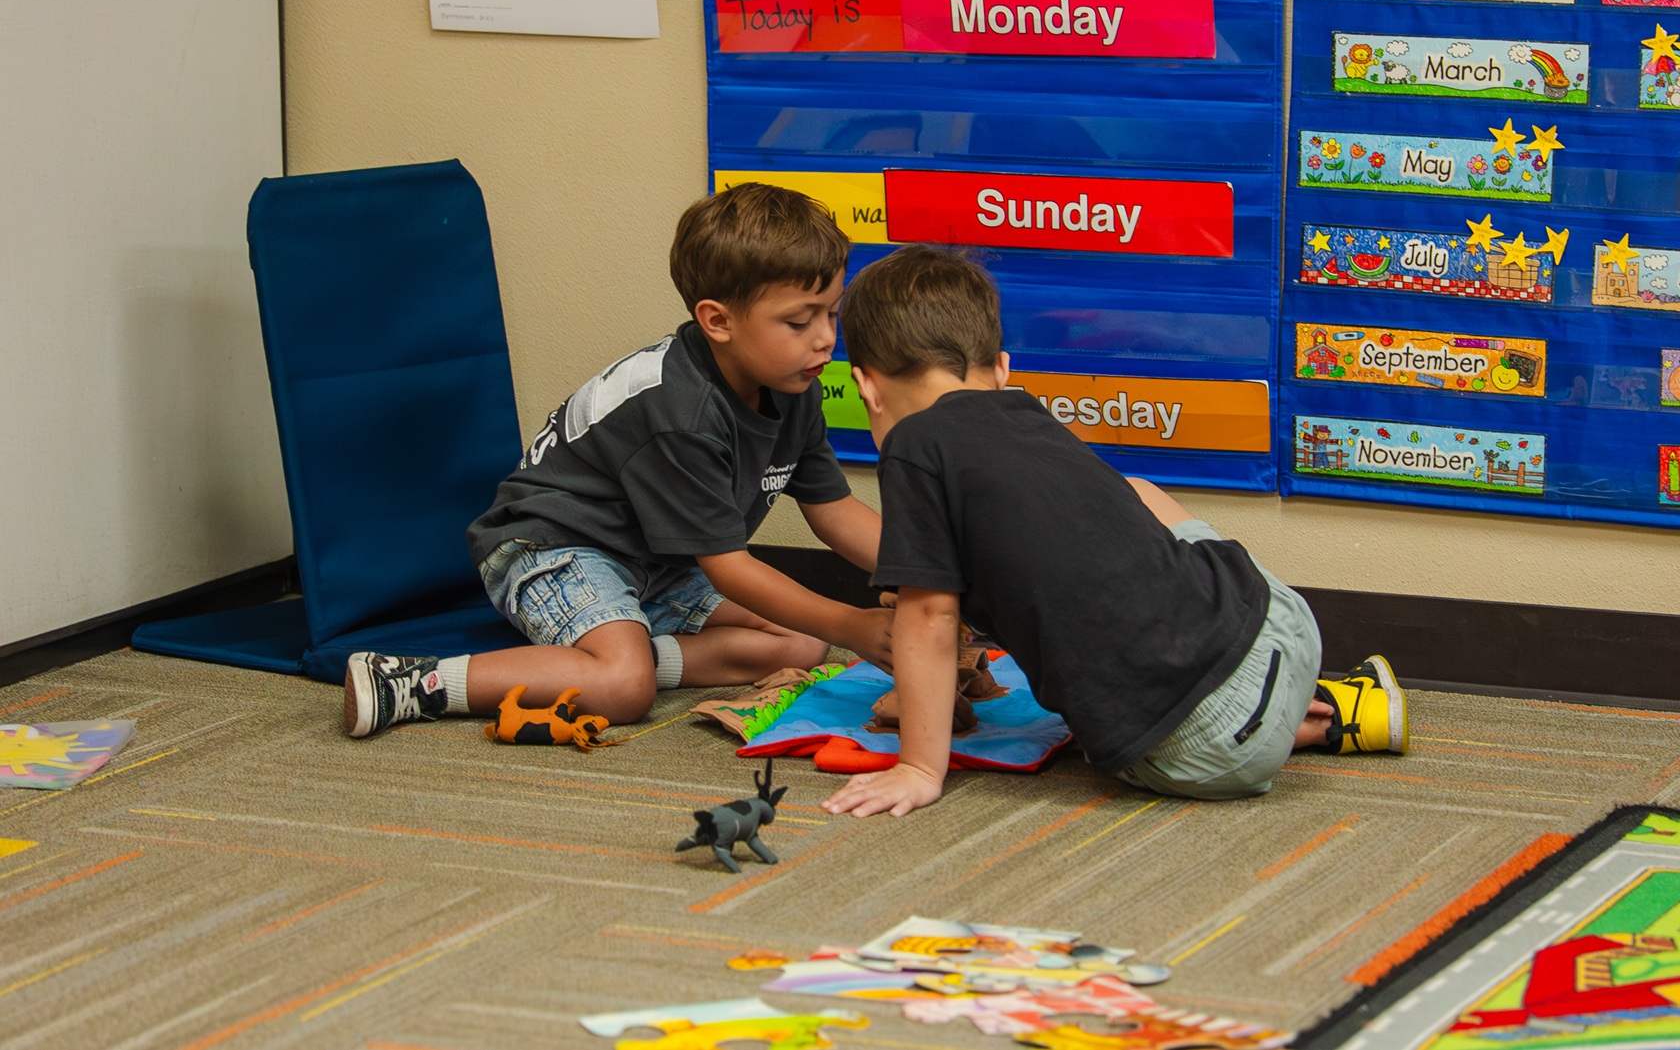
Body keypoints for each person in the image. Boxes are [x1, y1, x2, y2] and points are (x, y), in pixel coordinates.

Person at [821, 245, 1406, 818]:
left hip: (1209, 751)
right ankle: (1317, 705)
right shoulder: (1026, 413)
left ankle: (1294, 726)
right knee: (1138, 492)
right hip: (1278, 624)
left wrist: (919, 767)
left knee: (1109, 742)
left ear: (867, 386)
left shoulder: (913, 445)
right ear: (1001, 368)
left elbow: (930, 617)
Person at [342, 183, 891, 738]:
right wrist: (853, 624)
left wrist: (922, 570)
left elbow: (834, 509)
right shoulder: (682, 411)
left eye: (832, 313)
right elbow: (728, 566)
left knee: (802, 641)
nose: (826, 339)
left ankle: (623, 652)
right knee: (625, 689)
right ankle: (414, 681)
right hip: (552, 548)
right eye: (799, 322)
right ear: (718, 321)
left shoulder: (794, 388)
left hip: (657, 565)